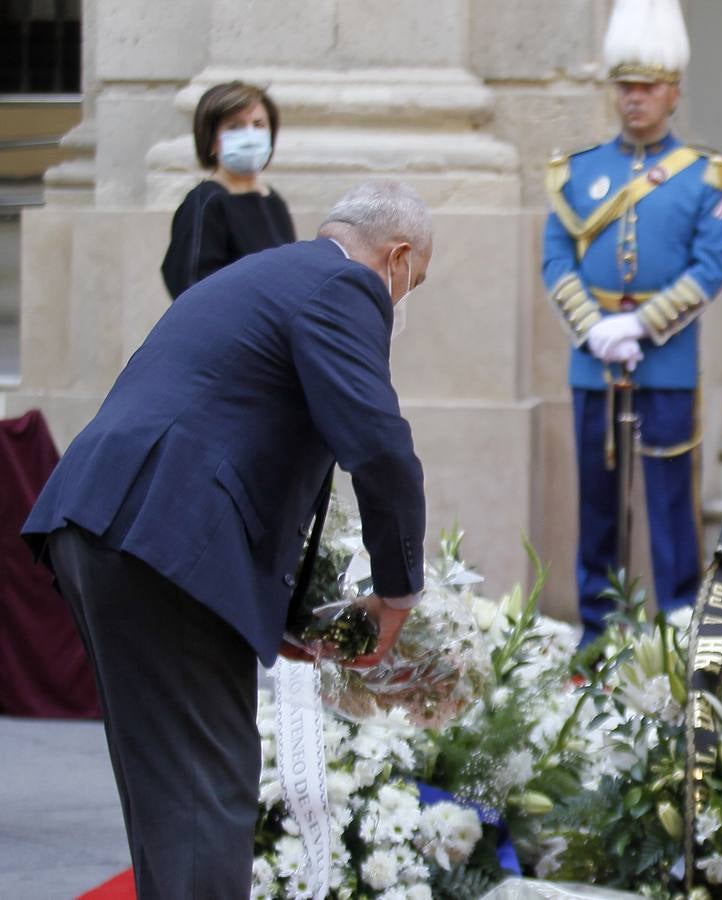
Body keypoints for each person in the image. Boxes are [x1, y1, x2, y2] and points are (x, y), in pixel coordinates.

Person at [22, 180, 431, 899]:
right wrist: (398, 592)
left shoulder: (268, 273)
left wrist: (280, 614)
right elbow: (378, 447)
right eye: (412, 284)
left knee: (168, 792)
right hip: (160, 537)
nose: (401, 304)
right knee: (207, 791)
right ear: (396, 257)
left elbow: (230, 430)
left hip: (103, 523)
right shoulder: (343, 285)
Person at [541, 0, 722, 638]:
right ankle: (599, 627)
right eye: (625, 86)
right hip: (592, 358)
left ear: (673, 92)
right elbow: (555, 259)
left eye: (647, 87)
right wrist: (595, 327)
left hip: (668, 360)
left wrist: (641, 325)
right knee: (598, 500)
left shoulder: (707, 175)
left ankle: (679, 615)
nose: (634, 99)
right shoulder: (578, 171)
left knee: (670, 499)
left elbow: (709, 267)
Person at [160, 80, 298, 299]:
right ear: (212, 140)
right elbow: (191, 286)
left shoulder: (273, 200)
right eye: (235, 127)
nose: (250, 135)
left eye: (259, 124)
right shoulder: (206, 203)